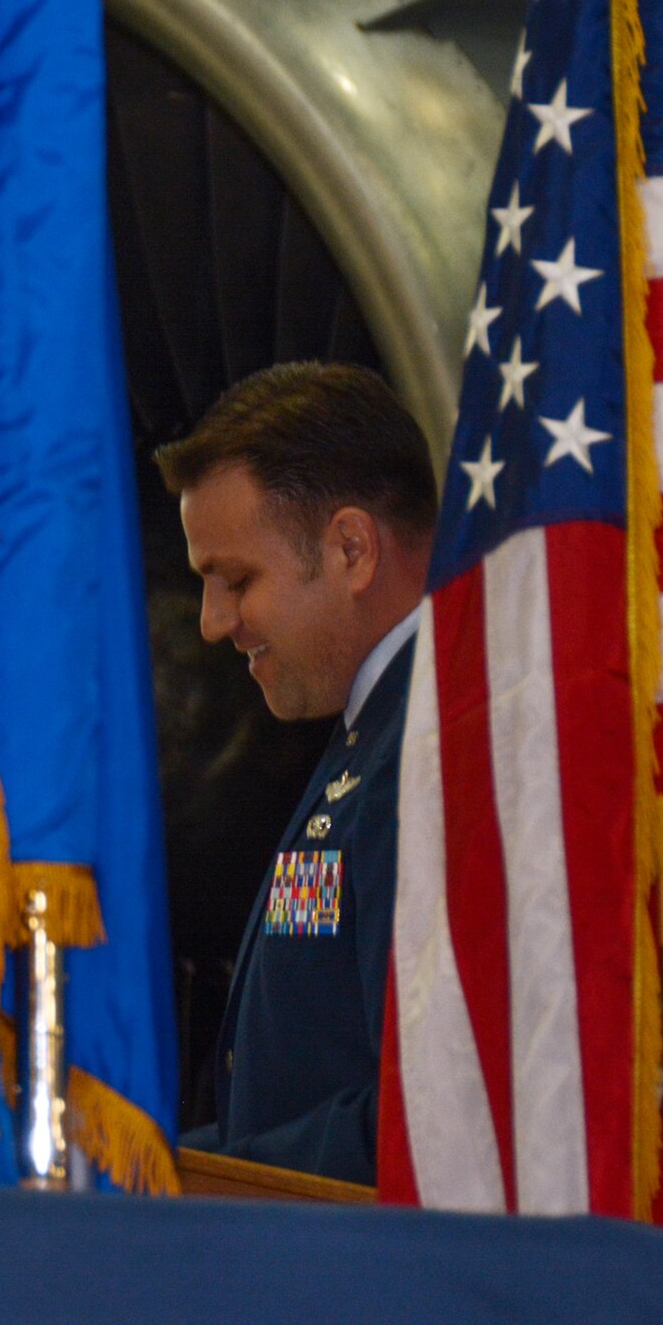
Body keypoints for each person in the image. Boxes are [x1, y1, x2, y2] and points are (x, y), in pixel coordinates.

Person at [152, 361, 437, 1186]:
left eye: (236, 580)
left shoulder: (431, 751)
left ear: (351, 548)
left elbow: (435, 1118)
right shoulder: (372, 740)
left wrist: (182, 1185)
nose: (211, 625)